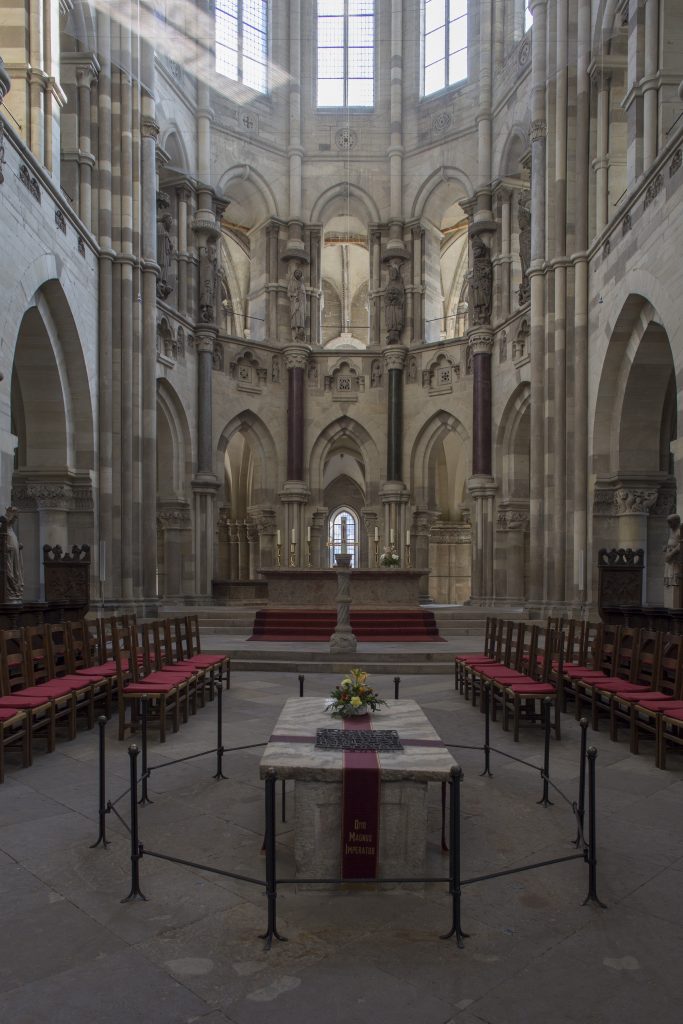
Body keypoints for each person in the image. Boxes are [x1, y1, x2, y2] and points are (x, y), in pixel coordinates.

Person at [3, 505, 24, 603]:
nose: (14, 520)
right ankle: (11, 591)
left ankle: (15, 591)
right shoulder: (4, 530)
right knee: (9, 571)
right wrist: (6, 547)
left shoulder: (11, 531)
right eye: (14, 517)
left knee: (16, 570)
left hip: (14, 556)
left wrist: (18, 547)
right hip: (7, 557)